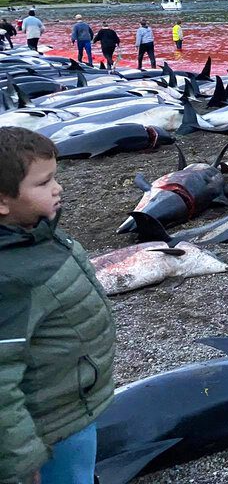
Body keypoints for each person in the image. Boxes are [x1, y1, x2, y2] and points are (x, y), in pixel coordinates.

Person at [0, 127, 116, 484]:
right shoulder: (11, 278)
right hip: (48, 429)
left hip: (70, 404)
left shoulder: (35, 232)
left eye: (56, 177)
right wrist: (22, 461)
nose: (58, 187)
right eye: (43, 182)